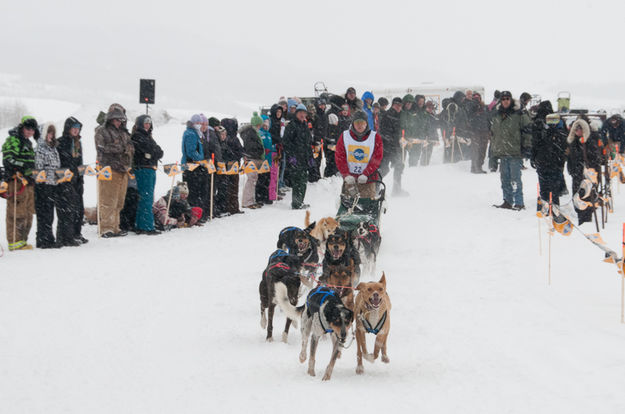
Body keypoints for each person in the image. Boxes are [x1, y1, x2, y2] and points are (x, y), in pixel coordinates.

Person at [95, 103, 134, 237]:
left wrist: (127, 150)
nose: (119, 122)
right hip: (108, 169)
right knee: (108, 200)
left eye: (121, 120)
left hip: (122, 170)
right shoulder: (102, 130)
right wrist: (120, 149)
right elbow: (102, 148)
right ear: (111, 118)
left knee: (119, 201)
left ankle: (115, 226)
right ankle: (106, 228)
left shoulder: (123, 132)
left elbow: (129, 147)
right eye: (117, 119)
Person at [34, 124, 76, 248]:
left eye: (52, 133)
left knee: (50, 213)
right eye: (49, 133)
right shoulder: (39, 149)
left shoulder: (53, 149)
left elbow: (56, 166)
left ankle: (49, 238)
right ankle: (43, 240)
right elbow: (39, 168)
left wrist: (60, 175)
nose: (51, 136)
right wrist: (45, 178)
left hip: (54, 184)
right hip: (43, 184)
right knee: (44, 213)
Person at [490, 91, 532, 210]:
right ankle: (507, 201)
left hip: (515, 152)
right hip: (502, 152)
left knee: (515, 179)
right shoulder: (497, 115)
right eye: (503, 99)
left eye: (507, 98)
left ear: (511, 100)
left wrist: (527, 146)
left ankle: (519, 202)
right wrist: (493, 152)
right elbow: (494, 135)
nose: (505, 100)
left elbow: (528, 130)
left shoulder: (519, 114)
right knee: (505, 179)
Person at [2, 116, 37, 250]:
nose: (30, 132)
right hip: (16, 181)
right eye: (28, 128)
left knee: (28, 212)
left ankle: (22, 240)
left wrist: (30, 172)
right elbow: (8, 159)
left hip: (27, 182)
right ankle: (14, 242)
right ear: (22, 127)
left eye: (32, 130)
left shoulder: (27, 142)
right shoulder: (13, 140)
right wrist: (24, 166)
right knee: (16, 212)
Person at [335, 111, 383, 199]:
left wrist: (366, 173)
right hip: (350, 181)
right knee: (349, 207)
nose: (360, 125)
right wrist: (346, 174)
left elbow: (377, 158)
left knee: (367, 207)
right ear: (353, 124)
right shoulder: (345, 136)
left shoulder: (375, 137)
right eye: (357, 122)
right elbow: (340, 157)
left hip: (368, 180)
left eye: (362, 122)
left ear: (366, 123)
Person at [57, 117, 88, 244]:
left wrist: (81, 178)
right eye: (74, 128)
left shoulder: (77, 143)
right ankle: (66, 236)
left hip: (76, 179)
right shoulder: (61, 142)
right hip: (64, 179)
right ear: (68, 128)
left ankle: (76, 233)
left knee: (78, 208)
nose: (76, 131)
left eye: (78, 129)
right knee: (67, 209)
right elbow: (59, 162)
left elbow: (79, 162)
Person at [131, 115, 163, 235]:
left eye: (149, 123)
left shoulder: (148, 136)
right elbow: (151, 150)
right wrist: (152, 152)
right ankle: (147, 226)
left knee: (146, 197)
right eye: (145, 123)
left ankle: (141, 224)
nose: (148, 125)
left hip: (150, 168)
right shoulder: (138, 136)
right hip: (144, 169)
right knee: (146, 197)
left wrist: (152, 153)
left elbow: (158, 151)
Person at [531, 101, 567, 206]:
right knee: (553, 187)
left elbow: (535, 142)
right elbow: (564, 141)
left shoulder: (538, 122)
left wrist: (533, 156)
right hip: (554, 159)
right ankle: (553, 206)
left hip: (544, 158)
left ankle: (547, 205)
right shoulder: (558, 121)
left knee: (544, 186)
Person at [567, 117, 602, 225]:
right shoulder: (573, 142)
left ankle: (587, 220)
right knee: (577, 197)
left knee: (587, 197)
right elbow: (570, 158)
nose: (578, 131)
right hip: (576, 174)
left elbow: (595, 159)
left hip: (587, 175)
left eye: (580, 129)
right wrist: (572, 170)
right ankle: (581, 218)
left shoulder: (589, 142)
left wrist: (593, 173)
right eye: (576, 129)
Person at [283, 104, 313, 209]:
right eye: (300, 113)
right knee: (296, 182)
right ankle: (296, 203)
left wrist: (310, 157)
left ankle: (300, 201)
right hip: (295, 159)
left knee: (303, 181)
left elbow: (309, 143)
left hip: (304, 158)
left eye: (304, 113)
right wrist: (291, 156)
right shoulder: (291, 126)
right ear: (296, 113)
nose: (302, 115)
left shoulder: (305, 126)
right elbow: (286, 142)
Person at [379, 97, 407, 196]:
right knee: (383, 169)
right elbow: (384, 133)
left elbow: (401, 131)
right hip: (386, 148)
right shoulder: (387, 115)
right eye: (397, 105)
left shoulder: (400, 115)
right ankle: (374, 188)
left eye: (400, 105)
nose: (399, 107)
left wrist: (403, 139)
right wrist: (396, 140)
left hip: (396, 147)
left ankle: (397, 189)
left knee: (399, 166)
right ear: (393, 105)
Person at [181, 114, 207, 210]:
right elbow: (191, 152)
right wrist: (201, 158)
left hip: (193, 166)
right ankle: (192, 213)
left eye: (200, 123)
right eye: (198, 123)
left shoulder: (195, 133)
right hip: (191, 166)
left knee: (195, 191)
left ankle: (196, 212)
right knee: (193, 191)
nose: (200, 125)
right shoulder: (191, 134)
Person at [241, 112, 265, 209]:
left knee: (253, 179)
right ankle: (247, 201)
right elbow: (251, 147)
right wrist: (259, 150)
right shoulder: (250, 133)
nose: (260, 127)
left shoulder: (253, 133)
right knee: (251, 180)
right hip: (251, 158)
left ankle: (251, 200)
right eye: (259, 125)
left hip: (253, 158)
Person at [221, 118, 244, 214]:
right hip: (231, 165)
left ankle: (232, 207)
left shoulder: (229, 138)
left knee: (231, 187)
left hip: (231, 165)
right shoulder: (231, 138)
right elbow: (237, 151)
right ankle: (231, 207)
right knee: (232, 187)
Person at [469, 92, 490, 173]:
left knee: (483, 150)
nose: (477, 99)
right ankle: (474, 167)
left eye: (478, 97)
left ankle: (479, 166)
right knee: (475, 150)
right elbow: (468, 117)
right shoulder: (470, 106)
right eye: (475, 98)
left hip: (484, 131)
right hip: (475, 132)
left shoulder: (485, 107)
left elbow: (488, 118)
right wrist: (474, 109)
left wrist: (489, 130)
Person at [257, 114, 276, 204]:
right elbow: (259, 146)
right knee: (261, 179)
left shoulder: (268, 134)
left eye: (267, 125)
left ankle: (266, 196)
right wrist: (263, 150)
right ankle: (259, 197)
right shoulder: (259, 134)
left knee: (267, 179)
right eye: (264, 125)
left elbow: (270, 146)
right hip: (262, 160)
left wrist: (274, 147)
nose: (265, 127)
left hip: (268, 160)